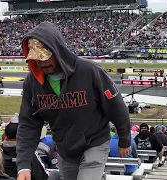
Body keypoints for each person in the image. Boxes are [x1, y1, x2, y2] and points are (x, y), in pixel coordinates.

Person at [16, 22, 132, 180]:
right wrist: (23, 165)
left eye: (45, 56)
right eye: (37, 58)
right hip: (65, 149)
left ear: (58, 51)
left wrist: (124, 139)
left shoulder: (90, 71)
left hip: (95, 141)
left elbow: (116, 106)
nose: (42, 62)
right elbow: (28, 124)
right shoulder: (32, 83)